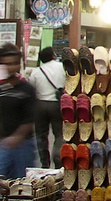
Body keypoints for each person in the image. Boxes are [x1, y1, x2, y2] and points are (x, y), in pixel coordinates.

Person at [0, 44, 39, 180]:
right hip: (3, 144)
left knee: (22, 184)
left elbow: (29, 119)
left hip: (23, 145)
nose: (11, 67)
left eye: (14, 63)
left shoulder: (26, 89)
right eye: (7, 64)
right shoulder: (2, 88)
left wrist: (16, 137)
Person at [27, 46, 65, 168]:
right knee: (59, 133)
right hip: (57, 104)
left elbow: (31, 89)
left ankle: (44, 163)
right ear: (53, 55)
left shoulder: (36, 71)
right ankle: (58, 158)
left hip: (40, 105)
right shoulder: (61, 67)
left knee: (41, 135)